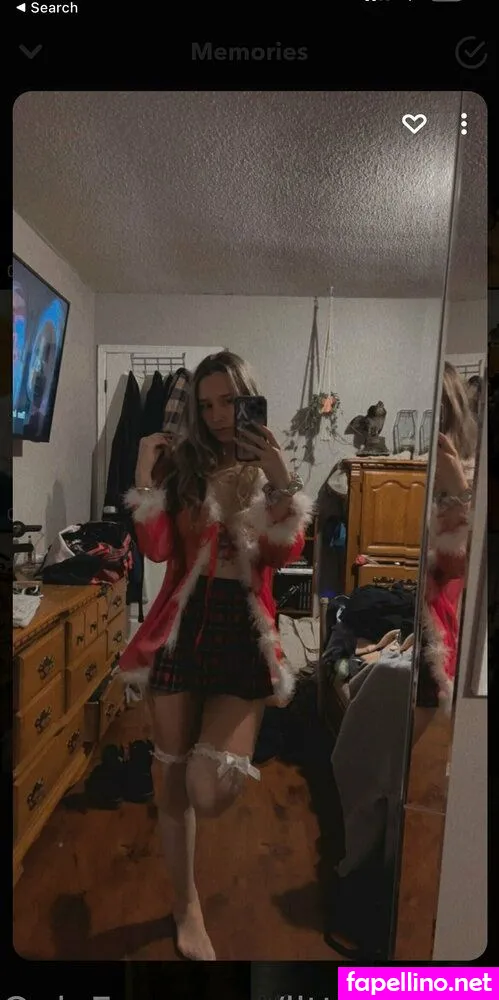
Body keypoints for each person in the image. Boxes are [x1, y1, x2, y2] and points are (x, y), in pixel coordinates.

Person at [118, 350, 314, 960]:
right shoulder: (185, 467)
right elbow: (156, 550)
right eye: (206, 406)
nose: (219, 415)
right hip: (182, 624)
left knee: (208, 788)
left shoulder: (268, 467)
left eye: (229, 400)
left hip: (241, 630)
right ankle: (187, 906)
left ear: (247, 396)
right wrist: (145, 477)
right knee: (171, 780)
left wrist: (280, 477)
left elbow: (283, 554)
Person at [420, 361, 477, 713]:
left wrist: (458, 492)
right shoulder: (424, 468)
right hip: (422, 608)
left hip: (447, 617)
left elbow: (460, 565)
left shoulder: (472, 475)